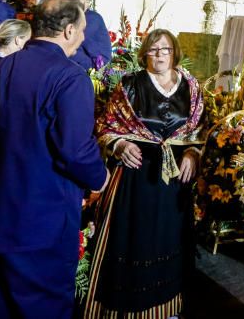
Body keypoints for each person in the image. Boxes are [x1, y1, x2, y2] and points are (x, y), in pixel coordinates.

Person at [0, 0, 109, 319]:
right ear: (67, 30)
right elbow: (75, 151)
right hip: (39, 227)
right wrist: (100, 178)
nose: (82, 38)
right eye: (82, 30)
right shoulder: (70, 76)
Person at [83, 28, 205, 317]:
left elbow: (199, 129)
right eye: (153, 49)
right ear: (144, 54)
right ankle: (123, 310)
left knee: (168, 240)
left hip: (175, 181)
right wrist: (120, 144)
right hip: (134, 180)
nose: (160, 55)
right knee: (133, 241)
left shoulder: (191, 86)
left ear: (175, 52)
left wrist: (192, 153)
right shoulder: (130, 85)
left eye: (165, 49)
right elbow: (105, 126)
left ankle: (167, 308)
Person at [66, 0, 113, 71]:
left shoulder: (92, 18)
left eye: (75, 1)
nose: (70, 5)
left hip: (96, 66)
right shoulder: (73, 17)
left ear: (87, 3)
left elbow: (71, 40)